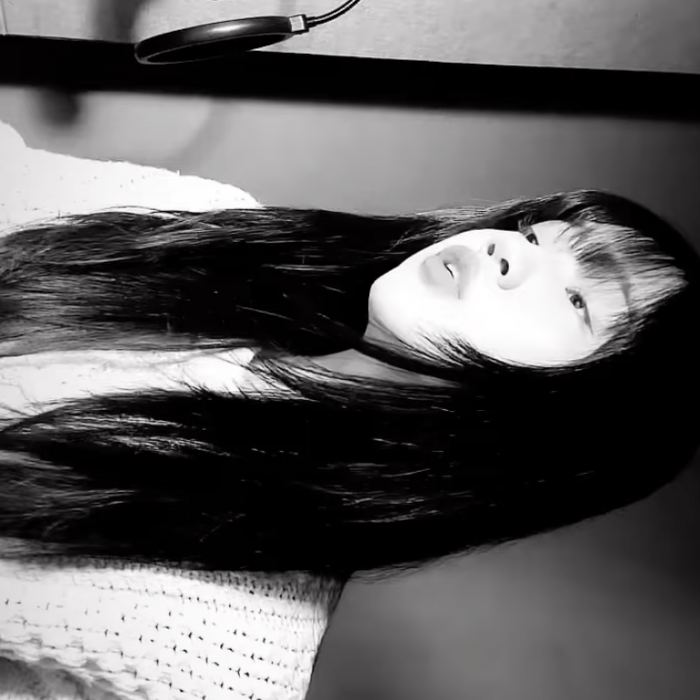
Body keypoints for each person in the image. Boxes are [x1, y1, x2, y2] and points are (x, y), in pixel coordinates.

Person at [0, 120, 699, 700]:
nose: (507, 250)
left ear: (572, 425)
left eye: (577, 302)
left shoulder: (224, 649)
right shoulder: (212, 222)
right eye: (536, 232)